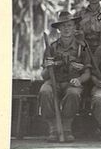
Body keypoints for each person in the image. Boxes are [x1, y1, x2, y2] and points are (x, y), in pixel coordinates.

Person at [39, 11, 91, 142]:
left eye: (69, 25)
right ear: (59, 29)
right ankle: (53, 128)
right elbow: (44, 75)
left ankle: (67, 128)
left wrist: (79, 80)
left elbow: (88, 72)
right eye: (63, 26)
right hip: (54, 81)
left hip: (72, 82)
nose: (66, 29)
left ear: (74, 27)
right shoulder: (52, 47)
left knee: (73, 93)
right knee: (45, 91)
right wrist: (48, 66)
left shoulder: (82, 48)